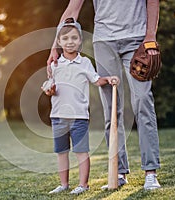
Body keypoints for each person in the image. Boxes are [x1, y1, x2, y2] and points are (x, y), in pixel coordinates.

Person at [47, 0, 161, 190]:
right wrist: (54, 46)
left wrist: (150, 36)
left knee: (143, 101)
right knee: (111, 109)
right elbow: (72, 9)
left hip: (137, 38)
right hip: (104, 40)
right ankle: (119, 171)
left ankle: (150, 172)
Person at [43, 18, 120, 195]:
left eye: (74, 38)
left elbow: (96, 80)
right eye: (66, 39)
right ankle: (64, 184)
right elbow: (51, 89)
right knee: (61, 152)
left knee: (81, 151)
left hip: (79, 116)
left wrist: (108, 79)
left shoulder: (84, 62)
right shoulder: (54, 65)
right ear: (59, 42)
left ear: (80, 41)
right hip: (58, 115)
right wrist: (50, 90)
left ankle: (83, 185)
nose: (70, 42)